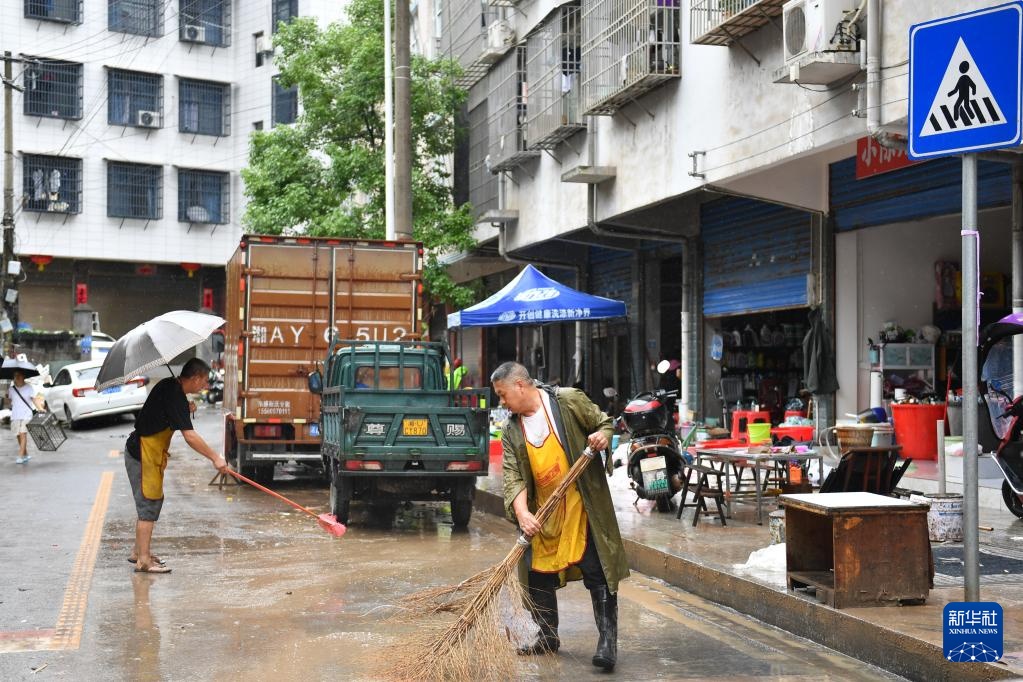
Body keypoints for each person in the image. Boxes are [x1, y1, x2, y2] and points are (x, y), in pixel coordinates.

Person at [491, 361, 628, 672]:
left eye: (502, 394)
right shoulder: (512, 430)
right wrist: (523, 513)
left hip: (581, 504)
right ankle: (547, 636)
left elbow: (604, 422)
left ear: (520, 386)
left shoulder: (567, 401)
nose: (501, 402)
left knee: (597, 569)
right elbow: (514, 476)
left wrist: (603, 436)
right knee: (538, 575)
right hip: (545, 511)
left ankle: (608, 641)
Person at [124, 358, 229, 574]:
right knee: (149, 503)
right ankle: (143, 560)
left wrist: (185, 406)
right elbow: (190, 436)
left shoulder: (170, 388)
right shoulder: (174, 394)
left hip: (146, 453)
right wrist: (215, 458)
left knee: (151, 501)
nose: (205, 386)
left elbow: (164, 411)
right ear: (196, 377)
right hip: (143, 454)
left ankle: (138, 551)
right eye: (204, 381)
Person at [9, 370, 36, 464]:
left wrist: (40, 408)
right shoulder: (11, 389)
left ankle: (20, 456)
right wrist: (6, 398)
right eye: (15, 376)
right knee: (18, 435)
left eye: (18, 376)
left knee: (22, 434)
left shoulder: (29, 388)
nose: (16, 378)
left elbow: (34, 400)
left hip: (26, 414)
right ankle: (26, 455)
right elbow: (10, 401)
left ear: (23, 377)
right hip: (15, 415)